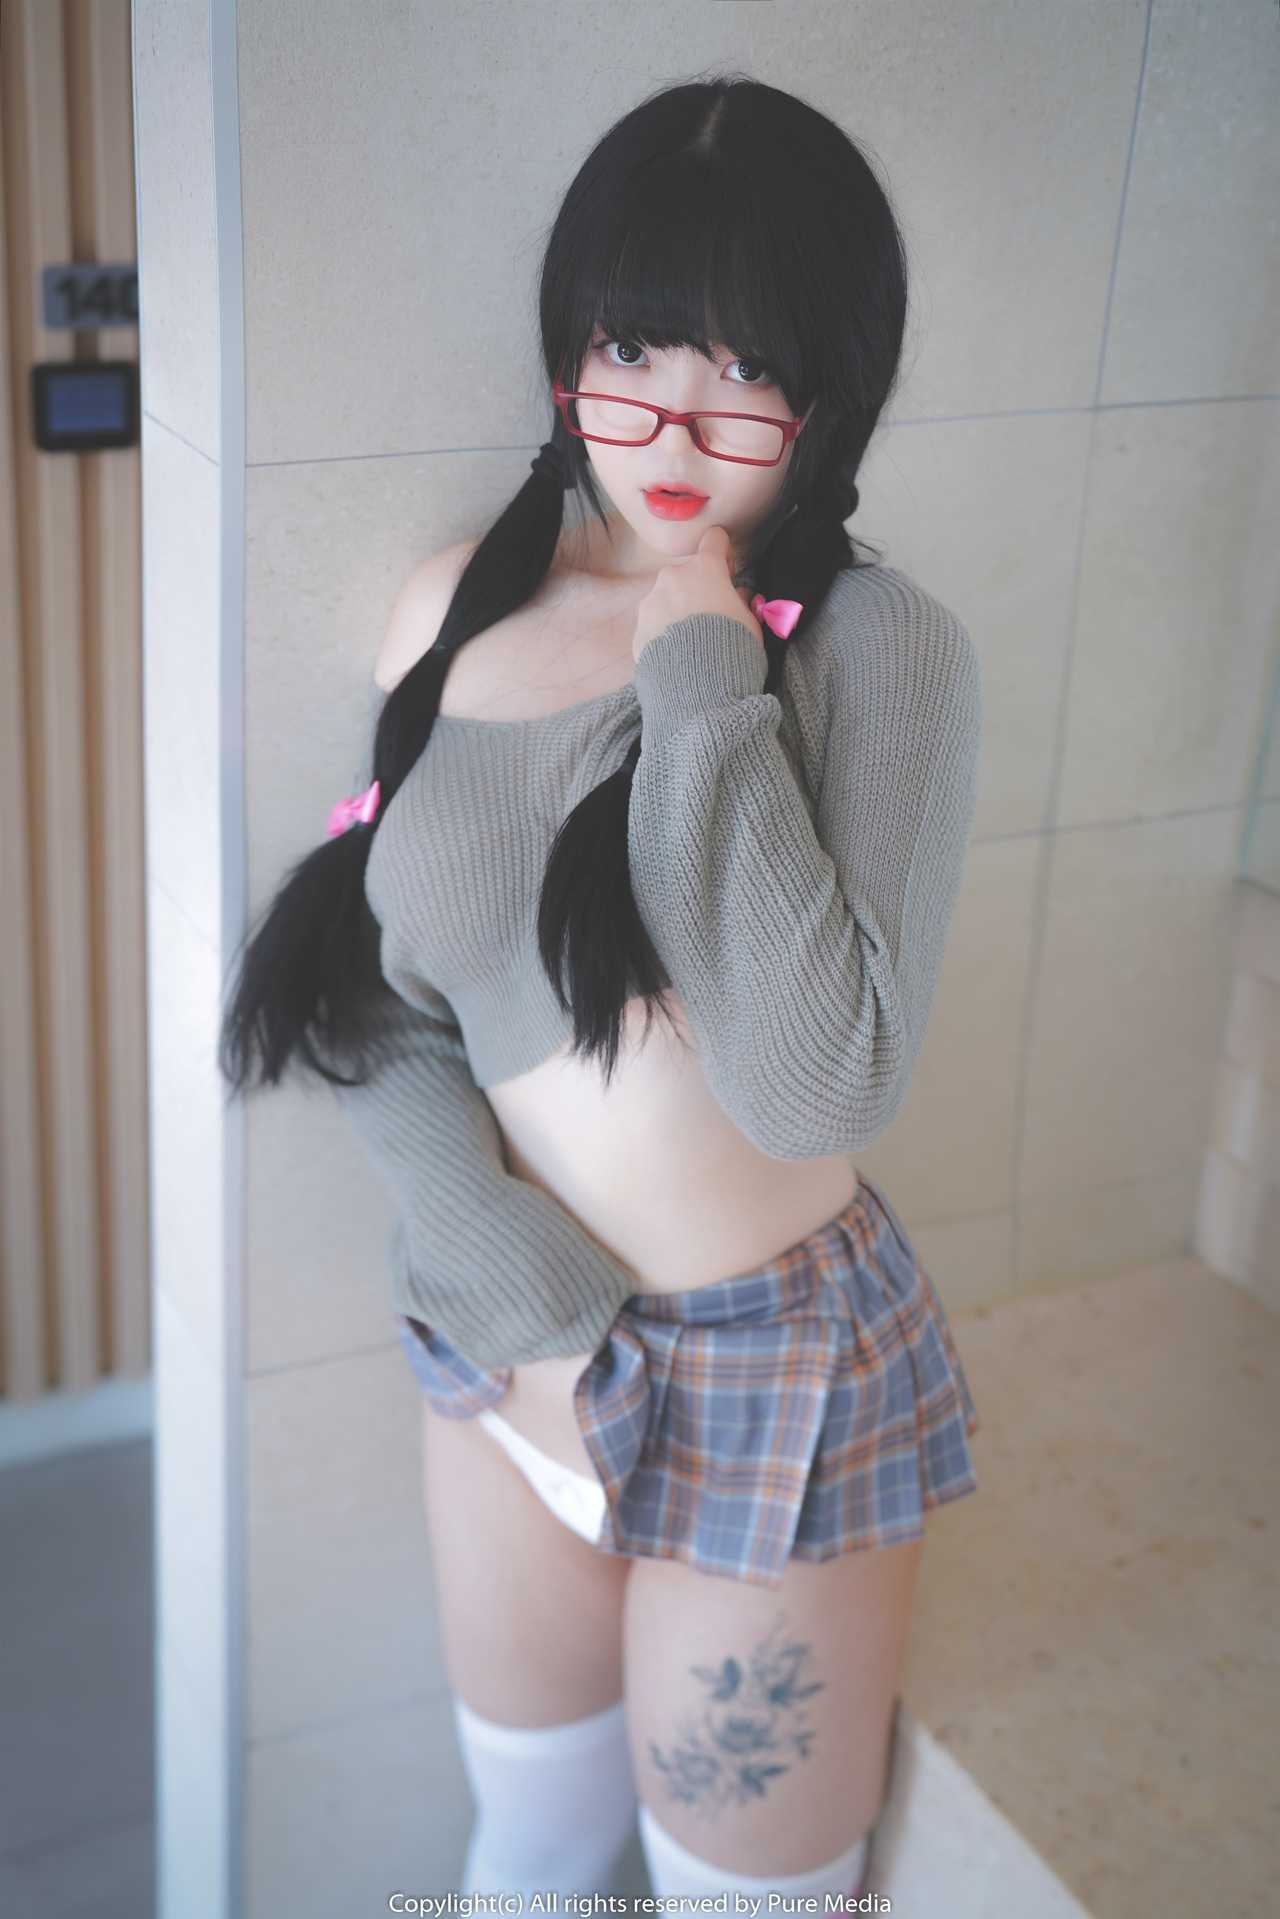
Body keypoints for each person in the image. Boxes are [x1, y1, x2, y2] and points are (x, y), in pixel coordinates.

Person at [219, 71, 984, 1903]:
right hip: (514, 1347)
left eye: (748, 365)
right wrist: (491, 1253)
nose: (677, 421)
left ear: (834, 387)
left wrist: (703, 679)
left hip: (772, 1379)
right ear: (569, 345)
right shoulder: (453, 608)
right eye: (634, 345)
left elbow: (819, 1084)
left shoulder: (878, 651)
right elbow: (370, 984)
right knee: (532, 1865)